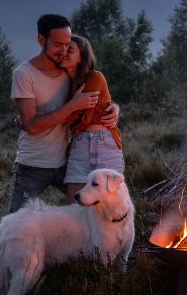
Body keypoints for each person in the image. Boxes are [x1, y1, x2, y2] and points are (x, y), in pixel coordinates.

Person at [8, 14, 119, 212]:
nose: (64, 50)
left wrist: (114, 107)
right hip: (33, 163)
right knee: (17, 219)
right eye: (58, 45)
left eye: (68, 45)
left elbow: (93, 97)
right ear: (41, 40)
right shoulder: (24, 74)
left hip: (66, 161)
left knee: (91, 210)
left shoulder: (68, 74)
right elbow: (32, 125)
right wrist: (73, 105)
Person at [58, 35, 125, 204]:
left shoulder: (95, 77)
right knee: (75, 204)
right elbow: (74, 117)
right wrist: (73, 109)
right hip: (79, 146)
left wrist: (69, 110)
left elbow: (81, 117)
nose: (64, 52)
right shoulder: (63, 84)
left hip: (104, 144)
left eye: (70, 49)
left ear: (82, 57)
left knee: (110, 205)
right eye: (63, 48)